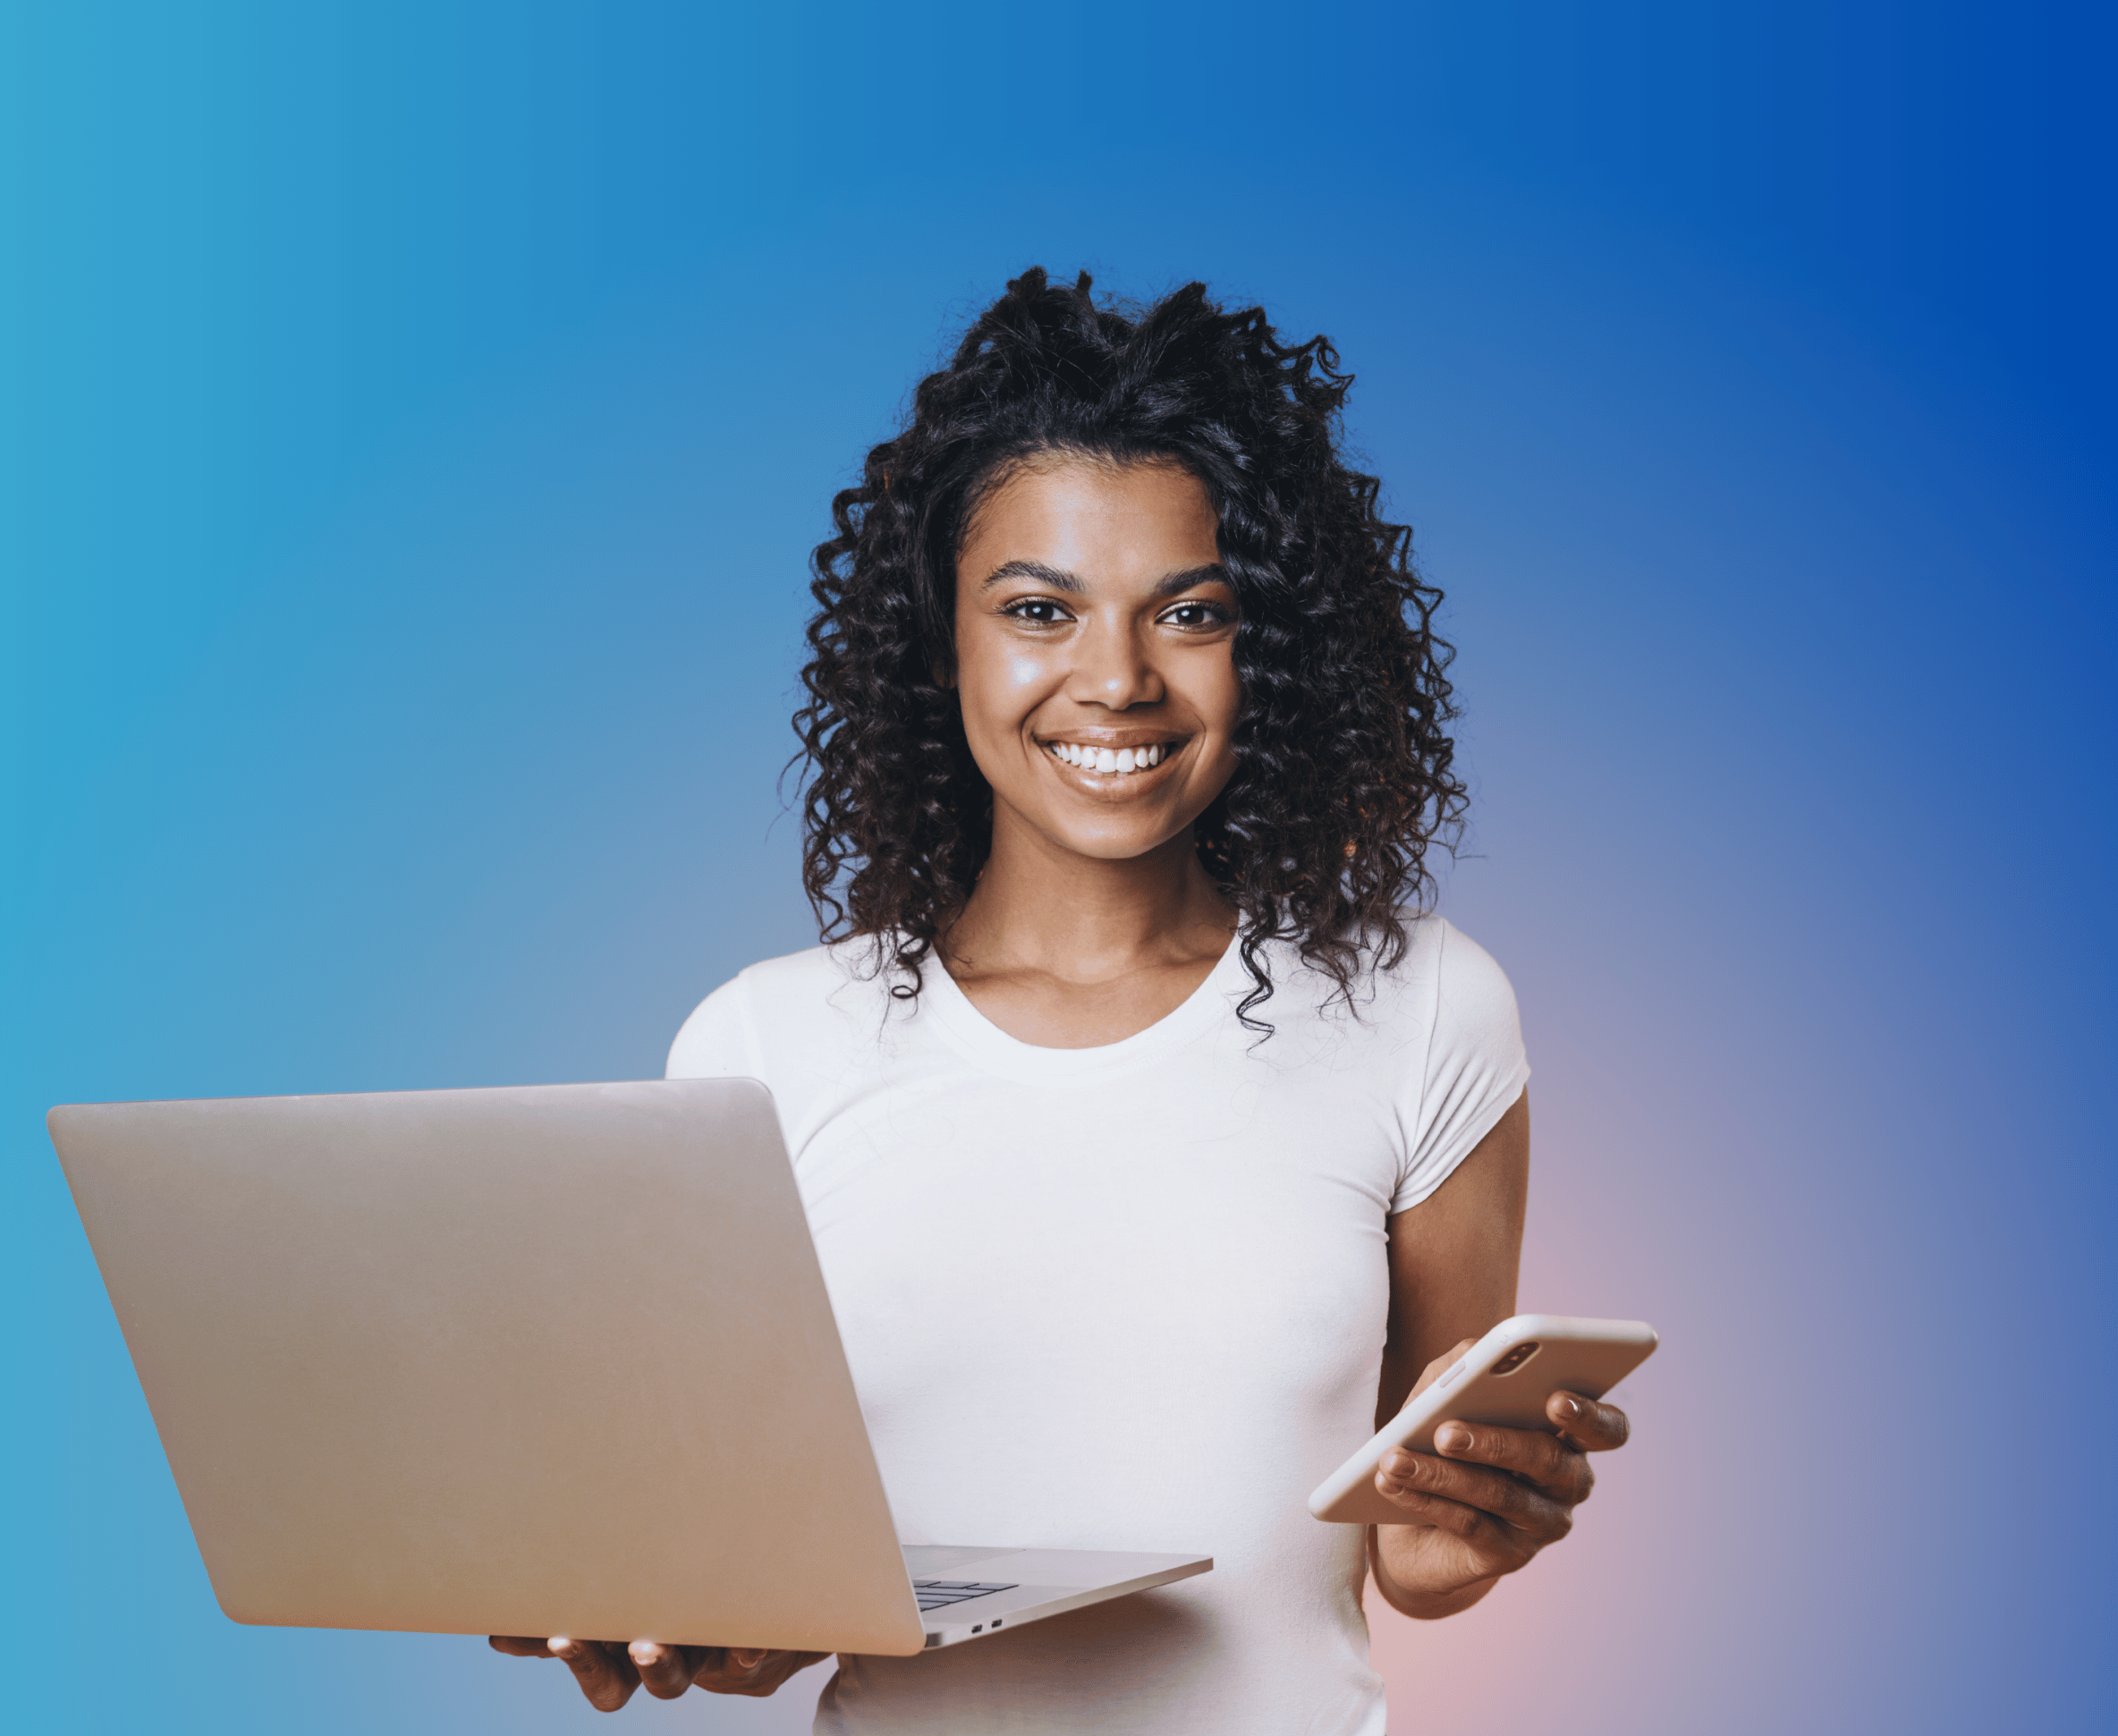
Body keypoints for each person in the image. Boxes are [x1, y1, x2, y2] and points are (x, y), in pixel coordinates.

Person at [489, 271, 1632, 1732]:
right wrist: (691, 1624)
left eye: (1192, 614)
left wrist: (1477, 1518)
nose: (1117, 681)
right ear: (942, 640)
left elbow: (1415, 1548)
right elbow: (746, 1568)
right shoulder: (762, 1044)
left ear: (1265, 648)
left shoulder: (1423, 1009)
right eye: (1040, 609)